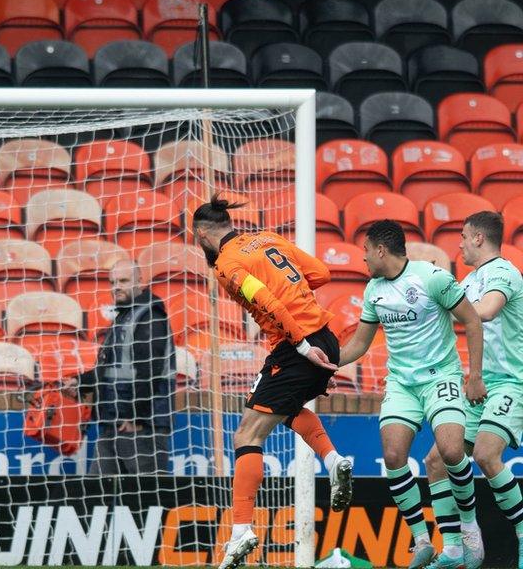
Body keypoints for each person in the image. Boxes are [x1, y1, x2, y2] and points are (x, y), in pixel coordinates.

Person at [190, 196, 353, 569]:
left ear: (201, 234)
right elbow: (321, 274)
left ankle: (241, 530)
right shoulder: (265, 238)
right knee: (286, 410)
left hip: (298, 346)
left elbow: (265, 299)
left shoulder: (228, 265)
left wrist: (300, 344)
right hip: (323, 333)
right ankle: (333, 460)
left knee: (247, 435)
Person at [338, 220, 484, 569]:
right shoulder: (374, 290)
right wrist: (326, 364)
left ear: (381, 250)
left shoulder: (432, 278)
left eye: (365, 252)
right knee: (392, 456)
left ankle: (467, 527)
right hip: (402, 383)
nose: (363, 260)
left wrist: (474, 376)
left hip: (441, 376)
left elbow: (473, 320)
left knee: (450, 451)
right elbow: (359, 343)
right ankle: (421, 539)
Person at [420, 211, 523, 569]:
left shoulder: (503, 273)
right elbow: (448, 315)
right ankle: (453, 549)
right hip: (477, 384)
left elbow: (488, 311)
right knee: (435, 460)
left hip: (510, 381)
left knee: (484, 454)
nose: (459, 244)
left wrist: (458, 311)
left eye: (464, 237)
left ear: (479, 238)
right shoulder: (470, 279)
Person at [78, 259, 174, 474]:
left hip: (141, 428)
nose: (116, 287)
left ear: (140, 282)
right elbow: (108, 370)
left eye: (122, 280)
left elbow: (150, 370)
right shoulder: (123, 318)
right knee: (98, 496)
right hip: (113, 424)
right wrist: (78, 382)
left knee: (147, 499)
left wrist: (135, 416)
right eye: (112, 282)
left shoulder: (150, 316)